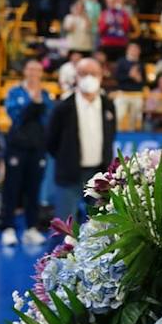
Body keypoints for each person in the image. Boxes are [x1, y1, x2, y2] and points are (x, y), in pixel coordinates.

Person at [46, 56, 116, 225]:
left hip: (99, 175)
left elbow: (111, 136)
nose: (89, 78)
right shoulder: (62, 108)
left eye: (94, 73)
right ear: (76, 76)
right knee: (65, 229)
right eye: (84, 73)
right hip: (69, 176)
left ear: (101, 76)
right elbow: (51, 142)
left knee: (100, 228)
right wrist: (67, 159)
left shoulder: (108, 105)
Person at [1, 59, 54, 247]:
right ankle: (8, 228)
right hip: (17, 146)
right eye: (30, 68)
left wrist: (37, 106)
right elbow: (15, 115)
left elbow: (48, 118)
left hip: (37, 147)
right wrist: (34, 105)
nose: (34, 72)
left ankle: (31, 228)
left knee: (34, 188)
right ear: (24, 71)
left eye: (37, 69)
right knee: (12, 187)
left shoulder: (46, 94)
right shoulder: (15, 92)